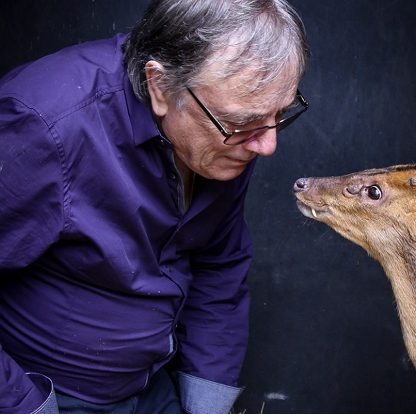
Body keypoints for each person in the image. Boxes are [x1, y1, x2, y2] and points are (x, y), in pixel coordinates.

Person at [0, 0, 309, 413]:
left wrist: (206, 405)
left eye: (280, 114)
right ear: (161, 88)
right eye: (244, 123)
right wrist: (24, 406)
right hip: (49, 392)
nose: (267, 145)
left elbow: (219, 265)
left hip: (154, 385)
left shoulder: (226, 136)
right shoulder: (43, 125)